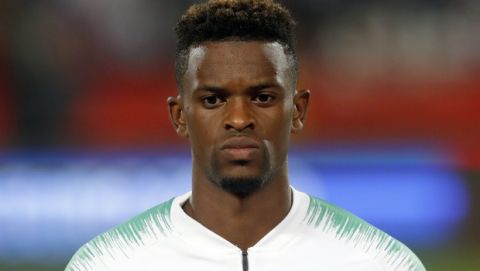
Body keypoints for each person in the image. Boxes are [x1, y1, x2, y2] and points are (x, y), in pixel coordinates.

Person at [65, 1, 426, 270]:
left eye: (263, 97)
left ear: (297, 110)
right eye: (213, 99)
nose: (239, 118)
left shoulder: (381, 262)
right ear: (180, 116)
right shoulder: (105, 263)